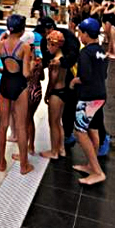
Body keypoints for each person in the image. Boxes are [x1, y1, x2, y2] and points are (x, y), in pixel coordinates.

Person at [0, 15, 34, 175]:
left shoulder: (0, 45)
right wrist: (33, 66)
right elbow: (26, 73)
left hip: (5, 83)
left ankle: (1, 161)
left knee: (3, 124)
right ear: (22, 29)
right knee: (21, 126)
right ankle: (24, 166)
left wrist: (1, 71)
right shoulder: (25, 47)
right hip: (19, 85)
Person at [69, 18, 109, 185]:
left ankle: (98, 172)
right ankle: (91, 166)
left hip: (89, 97)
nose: (78, 35)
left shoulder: (85, 52)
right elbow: (103, 74)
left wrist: (74, 81)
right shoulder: (101, 51)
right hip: (100, 95)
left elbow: (84, 77)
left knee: (80, 132)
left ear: (85, 34)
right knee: (93, 130)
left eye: (80, 32)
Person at [36, 17, 81, 148]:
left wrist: (47, 94)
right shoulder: (46, 42)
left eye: (43, 32)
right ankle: (62, 145)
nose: (42, 37)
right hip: (61, 82)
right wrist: (41, 64)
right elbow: (47, 60)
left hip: (68, 79)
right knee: (58, 119)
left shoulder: (69, 38)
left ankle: (64, 139)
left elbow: (73, 56)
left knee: (59, 118)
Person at [40, 30, 68, 160]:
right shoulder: (63, 58)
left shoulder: (55, 62)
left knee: (53, 123)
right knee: (59, 122)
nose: (47, 47)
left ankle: (54, 151)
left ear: (56, 45)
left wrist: (47, 94)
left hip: (56, 93)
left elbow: (52, 81)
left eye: (49, 44)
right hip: (64, 91)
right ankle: (61, 149)